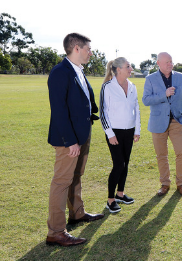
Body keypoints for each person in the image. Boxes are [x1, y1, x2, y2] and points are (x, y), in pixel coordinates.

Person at [46, 33, 104, 247]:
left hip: (82, 134)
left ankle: (77, 213)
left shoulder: (78, 70)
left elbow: (82, 101)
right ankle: (56, 232)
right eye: (88, 48)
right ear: (76, 48)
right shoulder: (60, 72)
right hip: (68, 139)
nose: (91, 52)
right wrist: (70, 141)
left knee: (76, 175)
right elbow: (59, 110)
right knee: (61, 182)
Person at [142, 52, 182, 197]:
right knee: (161, 155)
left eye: (171, 61)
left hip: (177, 122)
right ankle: (165, 184)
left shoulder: (180, 76)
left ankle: (181, 184)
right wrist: (164, 94)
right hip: (158, 123)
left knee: (181, 153)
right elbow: (146, 100)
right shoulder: (150, 79)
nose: (170, 64)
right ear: (158, 63)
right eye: (167, 62)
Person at [100, 57, 141, 213]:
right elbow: (103, 113)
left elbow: (136, 109)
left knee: (126, 163)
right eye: (128, 66)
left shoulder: (132, 86)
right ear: (118, 69)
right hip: (114, 132)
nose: (131, 69)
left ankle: (120, 194)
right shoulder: (107, 87)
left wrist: (137, 130)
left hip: (129, 131)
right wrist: (110, 134)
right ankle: (110, 200)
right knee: (119, 164)